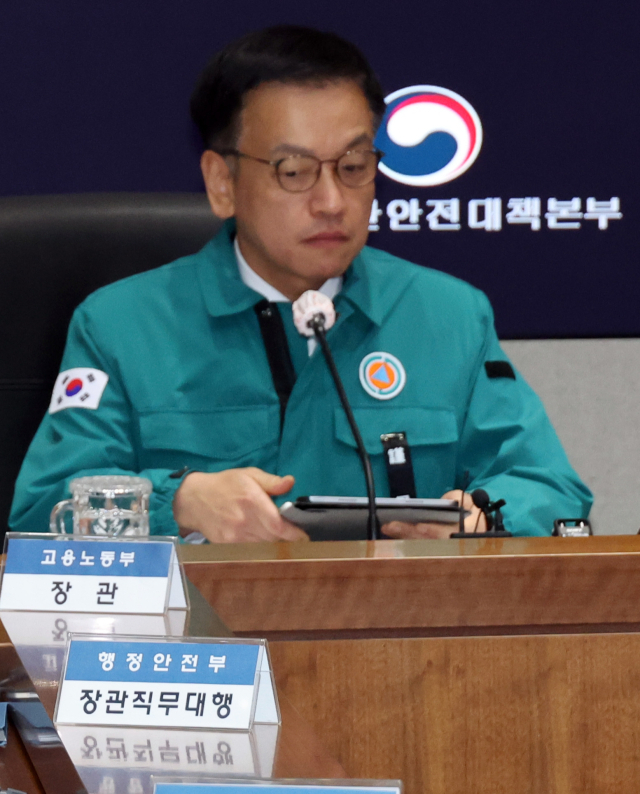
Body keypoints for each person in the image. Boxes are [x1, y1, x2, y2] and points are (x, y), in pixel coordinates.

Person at [10, 25, 592, 541]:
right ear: (222, 183)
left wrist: (482, 518)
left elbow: (551, 490)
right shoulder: (121, 325)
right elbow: (42, 511)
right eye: (294, 172)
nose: (332, 201)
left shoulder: (448, 316)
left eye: (354, 167)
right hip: (200, 628)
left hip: (394, 627)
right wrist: (178, 504)